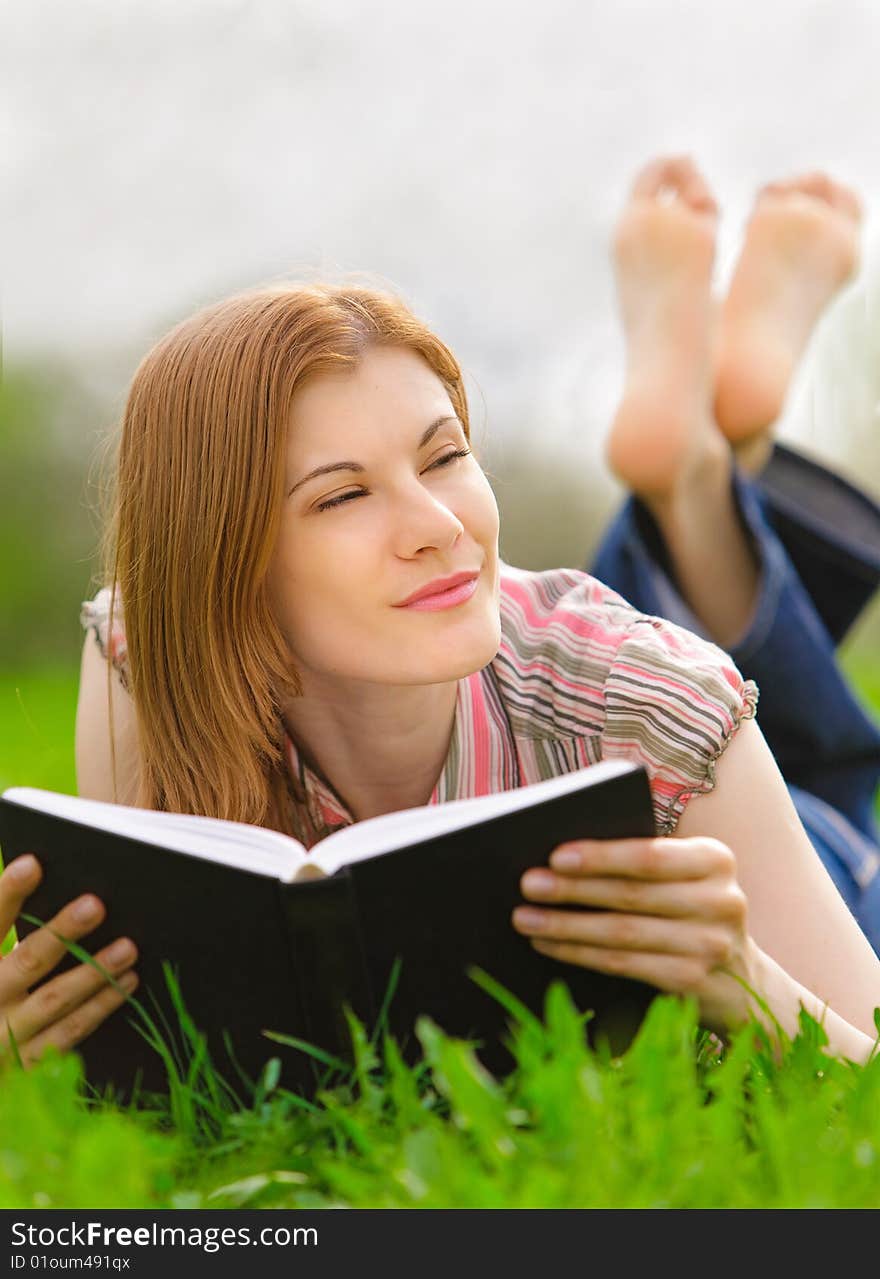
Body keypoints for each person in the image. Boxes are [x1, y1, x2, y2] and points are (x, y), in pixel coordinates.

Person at [1, 157, 879, 1077]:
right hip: (574, 688)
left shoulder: (656, 699)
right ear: (224, 566)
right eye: (342, 497)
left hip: (780, 857)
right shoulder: (147, 659)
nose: (439, 523)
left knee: (811, 770)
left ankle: (704, 467)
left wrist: (744, 978)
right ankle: (701, 465)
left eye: (445, 455)